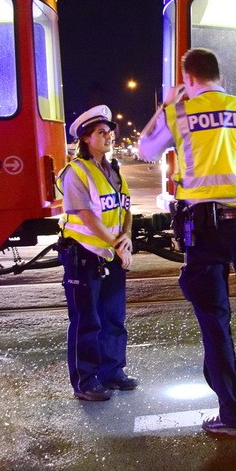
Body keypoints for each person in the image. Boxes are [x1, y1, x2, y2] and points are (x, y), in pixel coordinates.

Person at [138, 48, 236, 436]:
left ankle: (233, 417)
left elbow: (145, 150)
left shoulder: (180, 112)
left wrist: (167, 104)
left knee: (215, 324)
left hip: (204, 234)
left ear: (188, 77)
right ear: (219, 75)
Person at [57, 105, 136, 402]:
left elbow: (126, 208)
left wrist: (126, 236)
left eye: (109, 131)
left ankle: (112, 372)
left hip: (110, 254)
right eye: (101, 132)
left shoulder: (114, 170)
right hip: (85, 255)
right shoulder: (75, 172)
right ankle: (85, 381)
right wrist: (117, 243)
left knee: (114, 317)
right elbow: (87, 216)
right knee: (87, 321)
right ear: (86, 139)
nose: (109, 136)